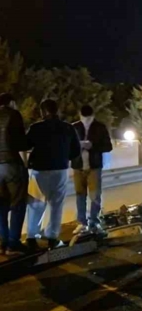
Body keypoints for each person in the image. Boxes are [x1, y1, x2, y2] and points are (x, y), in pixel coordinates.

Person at [26, 99, 80, 249]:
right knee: (56, 205)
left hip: (39, 171)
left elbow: (25, 144)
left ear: (44, 112)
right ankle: (52, 237)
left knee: (36, 204)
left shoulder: (36, 128)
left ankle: (32, 236)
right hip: (60, 170)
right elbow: (76, 151)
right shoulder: (68, 128)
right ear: (57, 111)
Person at [71, 105, 112, 235]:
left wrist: (92, 146)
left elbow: (108, 146)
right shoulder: (75, 127)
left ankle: (93, 221)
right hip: (78, 166)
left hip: (93, 166)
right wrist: (79, 146)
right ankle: (82, 223)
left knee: (94, 196)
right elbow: (69, 146)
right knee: (81, 195)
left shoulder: (99, 127)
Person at [0, 93, 28, 255]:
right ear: (11, 103)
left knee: (1, 206)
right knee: (17, 204)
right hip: (11, 164)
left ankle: (3, 242)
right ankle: (13, 244)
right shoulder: (13, 114)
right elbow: (21, 142)